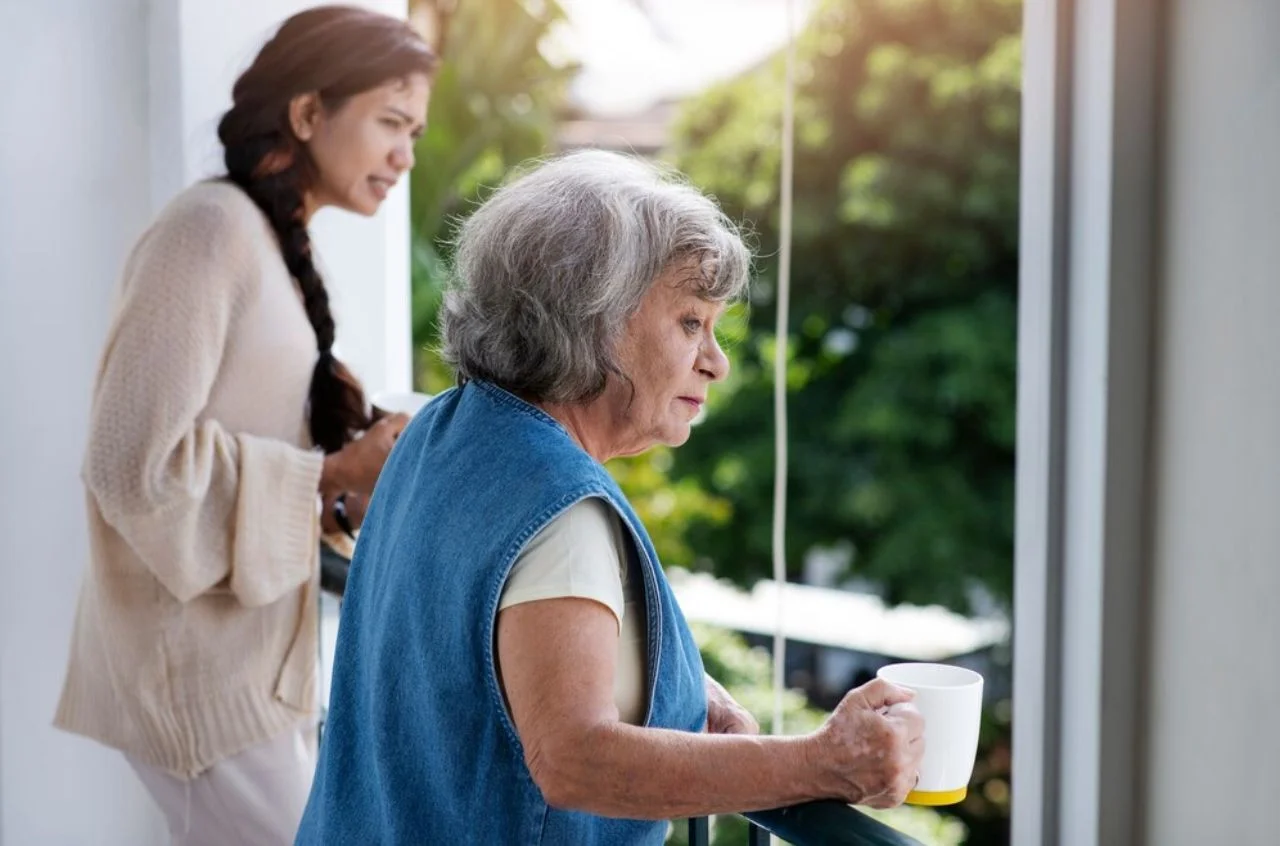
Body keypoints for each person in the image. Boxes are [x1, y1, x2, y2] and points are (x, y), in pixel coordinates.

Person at [295, 150, 926, 844]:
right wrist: (820, 763)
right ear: (594, 315)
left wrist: (680, 698)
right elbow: (576, 760)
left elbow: (480, 672)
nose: (715, 361)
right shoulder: (558, 509)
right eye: (691, 322)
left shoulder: (440, 432)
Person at [53, 7, 436, 844]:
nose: (406, 155)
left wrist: (347, 484)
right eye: (391, 123)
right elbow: (128, 462)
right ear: (308, 114)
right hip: (197, 683)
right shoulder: (208, 229)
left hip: (253, 670)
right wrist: (333, 477)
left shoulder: (269, 239)